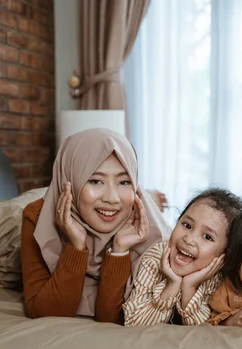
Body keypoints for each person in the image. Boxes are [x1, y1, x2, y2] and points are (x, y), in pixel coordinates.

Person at [21, 128, 170, 324]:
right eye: (95, 180)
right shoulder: (37, 218)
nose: (112, 198)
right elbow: (44, 312)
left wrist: (120, 251)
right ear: (70, 180)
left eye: (124, 181)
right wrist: (76, 247)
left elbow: (114, 318)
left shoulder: (149, 230)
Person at [123, 188, 242, 326]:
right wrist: (172, 284)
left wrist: (189, 287)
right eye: (187, 225)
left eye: (207, 237)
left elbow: (207, 334)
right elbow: (133, 324)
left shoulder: (219, 278)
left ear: (223, 256)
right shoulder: (155, 258)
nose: (189, 239)